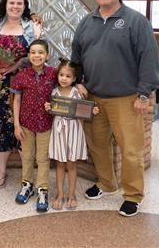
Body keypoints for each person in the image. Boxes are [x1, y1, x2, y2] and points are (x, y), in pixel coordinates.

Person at [71, 0, 159, 217]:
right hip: (93, 97)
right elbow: (76, 56)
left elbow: (149, 59)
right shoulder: (87, 22)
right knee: (97, 146)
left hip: (126, 99)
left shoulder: (135, 21)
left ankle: (133, 194)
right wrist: (78, 81)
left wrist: (144, 94)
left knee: (130, 149)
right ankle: (107, 184)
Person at [0, 0, 42, 188]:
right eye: (11, 3)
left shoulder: (32, 27)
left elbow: (37, 56)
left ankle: (28, 175)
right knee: (1, 126)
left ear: (24, 5)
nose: (15, 6)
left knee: (24, 126)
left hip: (24, 86)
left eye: (19, 3)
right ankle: (1, 170)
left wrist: (17, 65)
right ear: (5, 4)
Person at [45, 59, 99, 211]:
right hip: (59, 130)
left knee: (71, 164)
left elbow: (84, 111)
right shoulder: (54, 92)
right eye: (61, 75)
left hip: (74, 130)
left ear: (74, 78)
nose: (64, 78)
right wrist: (48, 108)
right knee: (60, 164)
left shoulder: (77, 93)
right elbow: (51, 110)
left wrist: (92, 111)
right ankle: (60, 195)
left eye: (68, 76)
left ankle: (72, 194)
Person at [11, 39, 57, 212]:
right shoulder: (21, 76)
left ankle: (42, 189)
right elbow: (16, 101)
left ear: (47, 55)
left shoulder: (54, 74)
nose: (36, 56)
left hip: (46, 123)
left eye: (40, 52)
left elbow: (63, 93)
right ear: (28, 55)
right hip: (26, 123)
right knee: (27, 156)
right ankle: (27, 185)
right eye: (33, 52)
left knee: (43, 158)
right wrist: (16, 124)